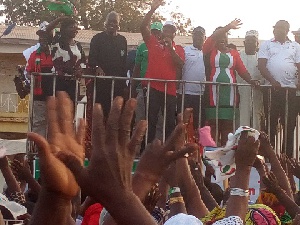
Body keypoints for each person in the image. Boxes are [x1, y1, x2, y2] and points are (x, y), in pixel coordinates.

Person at [202, 19, 258, 146]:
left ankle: (225, 157)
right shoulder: (209, 50)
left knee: (228, 127)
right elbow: (214, 37)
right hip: (212, 95)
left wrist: (251, 80)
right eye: (219, 35)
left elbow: (242, 70)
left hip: (230, 96)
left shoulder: (234, 53)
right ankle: (212, 156)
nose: (222, 38)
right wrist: (227, 27)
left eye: (225, 36)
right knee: (213, 126)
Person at [140, 0, 185, 143]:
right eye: (165, 30)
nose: (167, 33)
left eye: (170, 31)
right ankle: (148, 149)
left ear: (174, 34)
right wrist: (152, 9)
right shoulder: (153, 43)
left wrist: (170, 48)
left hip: (170, 90)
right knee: (151, 120)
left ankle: (168, 150)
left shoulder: (179, 49)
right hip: (154, 87)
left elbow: (180, 64)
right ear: (161, 32)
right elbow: (142, 27)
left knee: (169, 122)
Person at [258, 20, 300, 157]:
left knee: (289, 124)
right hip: (271, 90)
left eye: (280, 28)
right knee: (270, 123)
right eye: (275, 28)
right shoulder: (267, 44)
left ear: (287, 30)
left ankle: (285, 156)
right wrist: (272, 81)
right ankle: (269, 155)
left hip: (290, 91)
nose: (277, 30)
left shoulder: (295, 46)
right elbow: (261, 65)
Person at [88, 11, 128, 118]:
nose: (111, 24)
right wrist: (97, 67)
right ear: (105, 23)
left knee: (115, 115)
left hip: (118, 84)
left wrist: (125, 84)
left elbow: (124, 63)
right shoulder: (97, 38)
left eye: (114, 21)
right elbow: (91, 58)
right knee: (100, 114)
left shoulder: (122, 40)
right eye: (109, 21)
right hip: (101, 83)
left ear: (118, 24)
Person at [25, 21, 54, 138]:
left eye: (45, 36)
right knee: (39, 122)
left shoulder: (57, 52)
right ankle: (38, 152)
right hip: (39, 95)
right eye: (41, 36)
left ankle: (52, 152)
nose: (42, 38)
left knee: (53, 123)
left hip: (54, 94)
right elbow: (28, 72)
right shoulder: (34, 55)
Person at [177, 26, 206, 130]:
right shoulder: (185, 50)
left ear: (205, 37)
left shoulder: (207, 52)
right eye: (196, 34)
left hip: (201, 93)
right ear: (192, 36)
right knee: (183, 122)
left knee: (199, 123)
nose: (198, 37)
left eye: (201, 35)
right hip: (185, 92)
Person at [237, 30, 264, 130]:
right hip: (241, 92)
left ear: (257, 43)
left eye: (253, 41)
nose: (250, 43)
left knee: (256, 118)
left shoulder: (261, 58)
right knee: (242, 117)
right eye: (248, 40)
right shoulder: (238, 55)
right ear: (244, 43)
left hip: (257, 93)